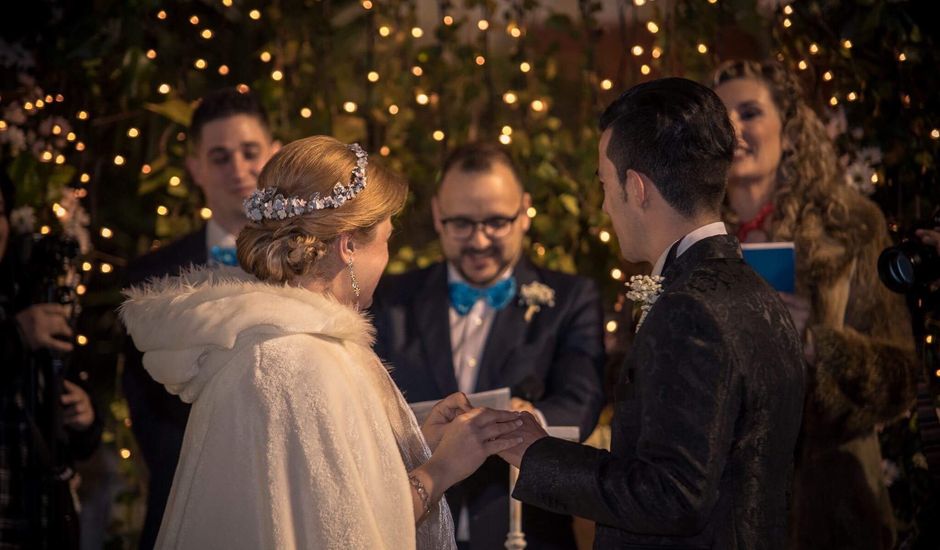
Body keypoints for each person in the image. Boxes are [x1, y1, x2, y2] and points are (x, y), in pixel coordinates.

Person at [120, 136, 524, 549]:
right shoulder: (300, 360)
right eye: (386, 239)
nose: (387, 257)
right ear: (349, 245)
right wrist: (442, 469)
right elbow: (347, 534)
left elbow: (327, 490)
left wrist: (418, 444)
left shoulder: (276, 340)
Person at [500, 77, 806, 550]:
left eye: (605, 184)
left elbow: (673, 495)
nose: (604, 205)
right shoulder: (758, 292)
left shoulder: (689, 310)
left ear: (636, 187)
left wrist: (535, 454)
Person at [711, 60, 920, 549]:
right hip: (725, 511)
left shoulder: (850, 226)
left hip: (832, 509)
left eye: (750, 112)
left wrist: (814, 346)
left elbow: (901, 377)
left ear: (790, 127)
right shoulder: (693, 235)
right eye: (722, 117)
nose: (735, 129)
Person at [371, 142, 605, 549]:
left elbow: (582, 399)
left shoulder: (570, 297)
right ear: (437, 217)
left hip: (525, 534)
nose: (479, 241)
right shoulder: (391, 298)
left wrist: (529, 420)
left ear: (524, 212)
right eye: (462, 224)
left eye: (496, 222)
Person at [121, 86, 280, 549]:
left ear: (272, 154)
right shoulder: (150, 277)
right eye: (220, 156)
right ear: (195, 168)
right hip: (183, 502)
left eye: (250, 152)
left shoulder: (310, 266)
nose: (238, 169)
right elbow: (147, 407)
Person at [0, 177, 101, 549]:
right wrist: (16, 336)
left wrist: (84, 416)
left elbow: (68, 405)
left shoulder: (26, 292)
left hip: (34, 520)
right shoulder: (22, 319)